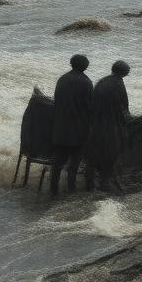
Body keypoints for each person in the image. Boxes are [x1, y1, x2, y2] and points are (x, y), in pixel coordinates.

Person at [85, 60, 132, 193]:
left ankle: (90, 182)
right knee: (111, 152)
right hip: (109, 123)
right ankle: (105, 181)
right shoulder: (117, 84)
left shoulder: (103, 81)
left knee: (94, 154)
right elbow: (122, 107)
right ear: (124, 72)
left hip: (96, 122)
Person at [50, 54, 93, 196]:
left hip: (60, 127)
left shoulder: (62, 79)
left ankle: (53, 189)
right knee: (74, 163)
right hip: (78, 129)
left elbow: (56, 102)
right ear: (84, 66)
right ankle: (70, 190)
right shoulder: (86, 82)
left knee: (57, 161)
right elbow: (90, 107)